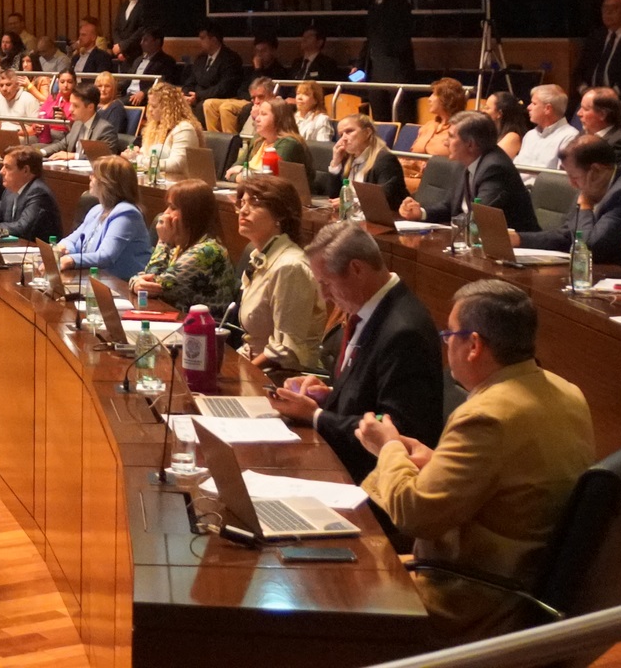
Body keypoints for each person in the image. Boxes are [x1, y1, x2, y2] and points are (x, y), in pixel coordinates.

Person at [358, 280, 595, 638]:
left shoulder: (486, 416)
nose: (445, 343)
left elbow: (413, 515)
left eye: (448, 334)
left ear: (473, 345)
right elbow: (513, 483)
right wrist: (434, 459)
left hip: (475, 599)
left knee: (336, 596)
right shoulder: (568, 391)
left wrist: (387, 447)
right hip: (527, 581)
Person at [267, 222, 445, 481]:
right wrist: (327, 396)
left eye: (326, 283)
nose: (325, 296)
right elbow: (370, 397)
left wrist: (315, 416)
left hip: (377, 485)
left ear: (356, 269)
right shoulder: (370, 311)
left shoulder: (404, 332)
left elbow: (395, 430)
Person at [526, 136, 621, 268]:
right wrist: (518, 239)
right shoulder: (594, 187)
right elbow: (567, 235)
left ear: (595, 170)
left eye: (574, 177)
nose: (572, 184)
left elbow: (590, 248)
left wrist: (585, 207)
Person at [234, 175, 323, 372]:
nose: (243, 211)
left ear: (280, 215)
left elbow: (285, 351)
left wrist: (239, 374)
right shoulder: (262, 256)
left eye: (255, 203)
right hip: (253, 366)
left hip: (280, 379)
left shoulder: (290, 267)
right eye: (242, 203)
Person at [400, 111, 539, 232]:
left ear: (470, 144)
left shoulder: (495, 168)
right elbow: (450, 207)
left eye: (451, 136)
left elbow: (479, 219)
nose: (445, 143)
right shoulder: (464, 161)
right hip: (475, 241)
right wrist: (420, 213)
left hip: (515, 249)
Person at [126, 180, 239, 316]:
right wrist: (135, 283)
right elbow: (144, 279)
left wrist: (163, 241)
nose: (165, 214)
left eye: (172, 208)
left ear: (192, 213)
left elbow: (153, 285)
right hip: (179, 323)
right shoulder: (182, 246)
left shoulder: (206, 251)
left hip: (202, 331)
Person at [54, 154, 147, 279]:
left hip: (121, 287)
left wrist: (71, 260)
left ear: (108, 183)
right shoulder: (97, 210)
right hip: (96, 280)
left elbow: (105, 256)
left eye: (94, 175)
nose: (90, 178)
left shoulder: (127, 214)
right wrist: (62, 248)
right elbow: (72, 240)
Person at [136, 81, 215, 182]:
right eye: (149, 105)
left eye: (154, 106)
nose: (150, 110)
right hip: (160, 182)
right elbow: (145, 153)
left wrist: (140, 160)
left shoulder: (184, 129)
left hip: (182, 185)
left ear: (168, 108)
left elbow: (176, 165)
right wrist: (135, 154)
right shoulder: (154, 127)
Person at [329, 113, 408, 210]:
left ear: (367, 132)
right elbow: (333, 197)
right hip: (354, 217)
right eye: (341, 134)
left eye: (349, 131)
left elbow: (385, 198)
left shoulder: (384, 160)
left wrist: (351, 203)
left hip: (385, 220)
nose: (343, 138)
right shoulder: (346, 160)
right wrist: (335, 163)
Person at [358, 0, 417, 87]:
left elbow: (402, 38)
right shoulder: (373, 7)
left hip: (397, 71)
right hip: (376, 71)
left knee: (397, 105)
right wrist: (359, 66)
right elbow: (370, 39)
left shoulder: (399, 4)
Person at [185, 26, 247, 127]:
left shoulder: (230, 58)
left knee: (204, 105)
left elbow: (224, 88)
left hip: (220, 98)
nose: (199, 42)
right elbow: (190, 81)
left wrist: (198, 95)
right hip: (197, 96)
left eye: (202, 38)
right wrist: (186, 95)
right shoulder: (200, 58)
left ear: (213, 40)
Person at [42, 85, 120, 158]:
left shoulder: (105, 129)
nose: (70, 109)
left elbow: (105, 157)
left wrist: (74, 156)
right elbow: (62, 144)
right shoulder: (77, 124)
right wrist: (41, 152)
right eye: (71, 104)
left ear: (90, 107)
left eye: (75, 106)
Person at [516, 86, 580, 170]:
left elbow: (561, 177)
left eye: (534, 103)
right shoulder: (530, 135)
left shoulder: (570, 136)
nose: (528, 107)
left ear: (547, 109)